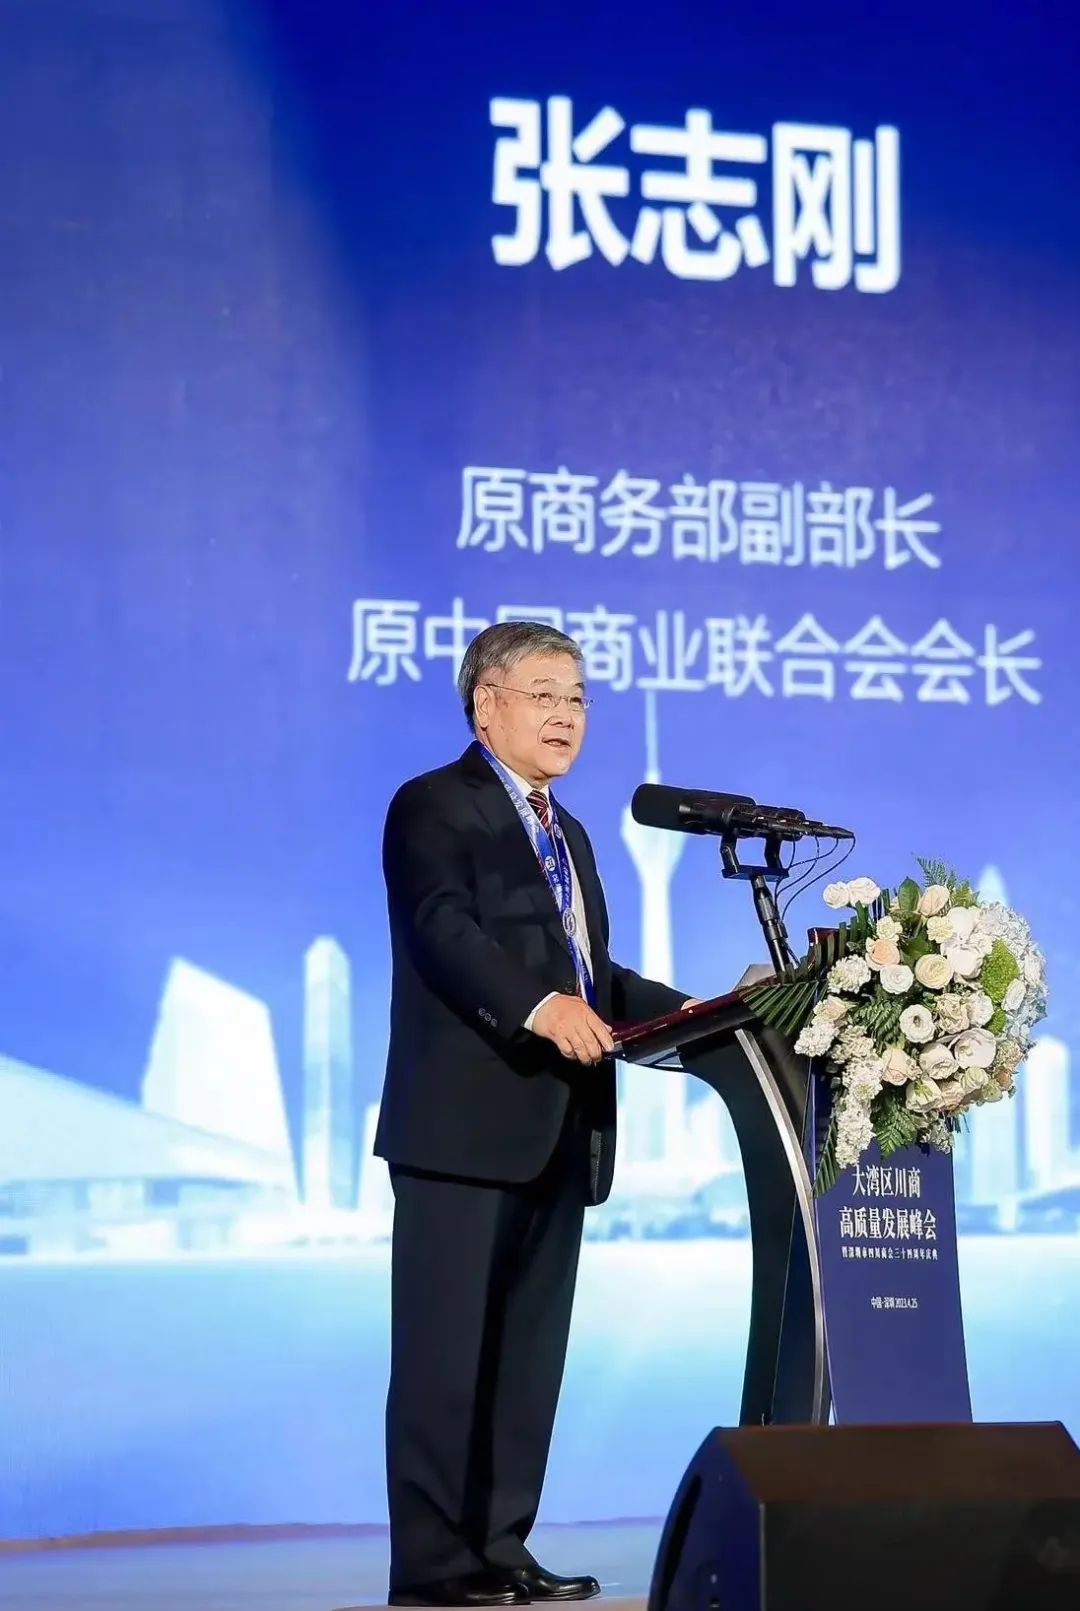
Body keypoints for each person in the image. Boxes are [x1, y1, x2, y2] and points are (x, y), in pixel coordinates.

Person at [376, 621, 695, 1607]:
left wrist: (700, 1013)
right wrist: (537, 1006)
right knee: (444, 1361)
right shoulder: (435, 804)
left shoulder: (572, 833)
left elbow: (593, 980)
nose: (567, 716)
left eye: (579, 698)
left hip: (562, 1127)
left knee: (526, 1363)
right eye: (546, 695)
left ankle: (502, 1545)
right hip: (462, 1132)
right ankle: (434, 1566)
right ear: (488, 705)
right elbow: (442, 930)